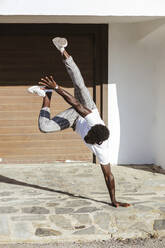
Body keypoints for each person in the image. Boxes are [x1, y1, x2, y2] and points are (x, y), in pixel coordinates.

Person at [28, 37, 131, 208]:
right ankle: (63, 51)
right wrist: (58, 87)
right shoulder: (93, 120)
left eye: (89, 138)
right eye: (89, 134)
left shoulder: (102, 150)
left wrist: (113, 200)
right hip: (85, 107)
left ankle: (46, 95)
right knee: (80, 85)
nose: (87, 137)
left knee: (44, 127)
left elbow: (109, 176)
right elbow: (75, 104)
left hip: (74, 120)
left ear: (97, 142)